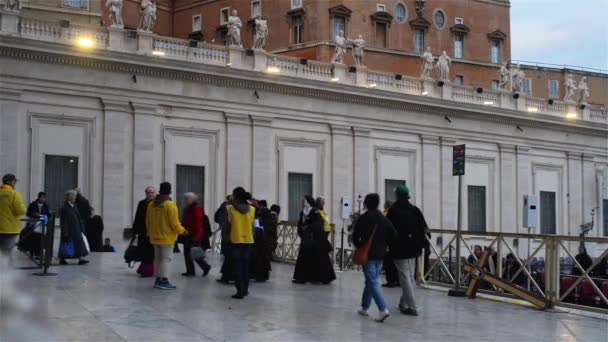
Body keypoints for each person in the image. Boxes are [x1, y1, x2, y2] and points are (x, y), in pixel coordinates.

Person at [353, 193, 396, 323]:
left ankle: (383, 310)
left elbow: (355, 236)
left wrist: (361, 245)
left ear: (366, 203)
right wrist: (385, 244)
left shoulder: (364, 218)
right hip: (381, 255)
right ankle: (364, 307)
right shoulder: (383, 218)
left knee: (372, 281)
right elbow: (394, 234)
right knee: (370, 281)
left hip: (368, 255)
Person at [386, 184, 428, 316]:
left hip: (399, 249)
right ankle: (403, 304)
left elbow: (389, 230)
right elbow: (424, 228)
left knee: (405, 276)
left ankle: (413, 306)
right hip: (414, 248)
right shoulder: (415, 210)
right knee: (409, 276)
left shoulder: (392, 211)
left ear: (397, 195)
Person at [146, 182, 187, 290]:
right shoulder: (170, 205)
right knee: (166, 259)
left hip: (154, 237)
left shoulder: (151, 204)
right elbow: (174, 223)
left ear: (159, 190)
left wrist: (149, 233)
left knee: (158, 259)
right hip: (166, 238)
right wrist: (183, 231)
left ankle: (158, 280)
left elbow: (148, 221)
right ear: (170, 191)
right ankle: (163, 280)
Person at [292, 195, 336, 284]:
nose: (303, 203)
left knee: (320, 259)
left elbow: (318, 224)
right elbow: (300, 223)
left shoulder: (315, 211)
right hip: (306, 239)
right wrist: (301, 229)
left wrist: (308, 227)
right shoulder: (302, 212)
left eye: (304, 201)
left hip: (317, 239)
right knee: (304, 259)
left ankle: (324, 278)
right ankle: (301, 278)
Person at [227, 187, 256, 299]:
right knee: (246, 266)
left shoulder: (230, 209)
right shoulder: (252, 209)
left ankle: (239, 291)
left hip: (236, 240)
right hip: (249, 241)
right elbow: (253, 226)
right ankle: (245, 290)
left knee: (237, 267)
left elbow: (228, 226)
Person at [181, 192, 211, 277]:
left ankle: (205, 267)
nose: (185, 200)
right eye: (185, 198)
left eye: (187, 198)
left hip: (194, 235)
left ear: (193, 199)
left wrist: (197, 237)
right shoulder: (186, 209)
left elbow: (198, 224)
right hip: (187, 233)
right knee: (187, 253)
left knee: (193, 253)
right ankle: (190, 271)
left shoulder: (197, 209)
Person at [59, 190, 89, 265]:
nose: (75, 198)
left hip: (76, 229)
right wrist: (65, 231)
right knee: (67, 244)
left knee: (79, 245)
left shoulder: (75, 206)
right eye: (74, 197)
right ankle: (63, 258)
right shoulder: (65, 207)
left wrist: (81, 226)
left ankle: (80, 258)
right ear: (70, 198)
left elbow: (78, 217)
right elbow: (63, 221)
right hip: (69, 230)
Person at [133, 186, 156, 277]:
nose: (150, 194)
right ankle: (144, 268)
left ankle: (148, 270)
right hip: (142, 232)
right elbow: (137, 217)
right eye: (148, 192)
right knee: (143, 251)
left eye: (152, 192)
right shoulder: (141, 203)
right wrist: (135, 231)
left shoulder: (156, 204)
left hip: (152, 232)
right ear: (146, 193)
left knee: (150, 252)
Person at [0, 174, 26, 256]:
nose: (15, 183)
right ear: (9, 182)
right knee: (7, 253)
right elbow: (21, 211)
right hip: (10, 229)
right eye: (14, 181)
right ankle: (6, 268)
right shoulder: (14, 194)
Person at [19, 192, 49, 257]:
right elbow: (27, 213)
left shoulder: (46, 205)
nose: (44, 199)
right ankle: (32, 251)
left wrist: (45, 216)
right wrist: (34, 214)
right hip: (33, 224)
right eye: (42, 197)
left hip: (41, 225)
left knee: (40, 239)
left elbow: (48, 214)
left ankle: (38, 253)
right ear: (39, 197)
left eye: (44, 198)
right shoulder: (32, 204)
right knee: (32, 238)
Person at [250, 200, 271, 282]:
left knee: (259, 258)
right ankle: (261, 275)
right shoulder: (264, 214)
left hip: (260, 240)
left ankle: (258, 275)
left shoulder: (261, 215)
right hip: (262, 240)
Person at [215, 195, 234, 283]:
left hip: (229, 236)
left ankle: (226, 277)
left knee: (228, 259)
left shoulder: (227, 206)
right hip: (232, 237)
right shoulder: (229, 207)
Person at [382, 200, 398, 288]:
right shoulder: (397, 213)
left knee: (388, 263)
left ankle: (391, 281)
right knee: (395, 263)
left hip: (388, 242)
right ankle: (397, 281)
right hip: (397, 243)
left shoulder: (387, 214)